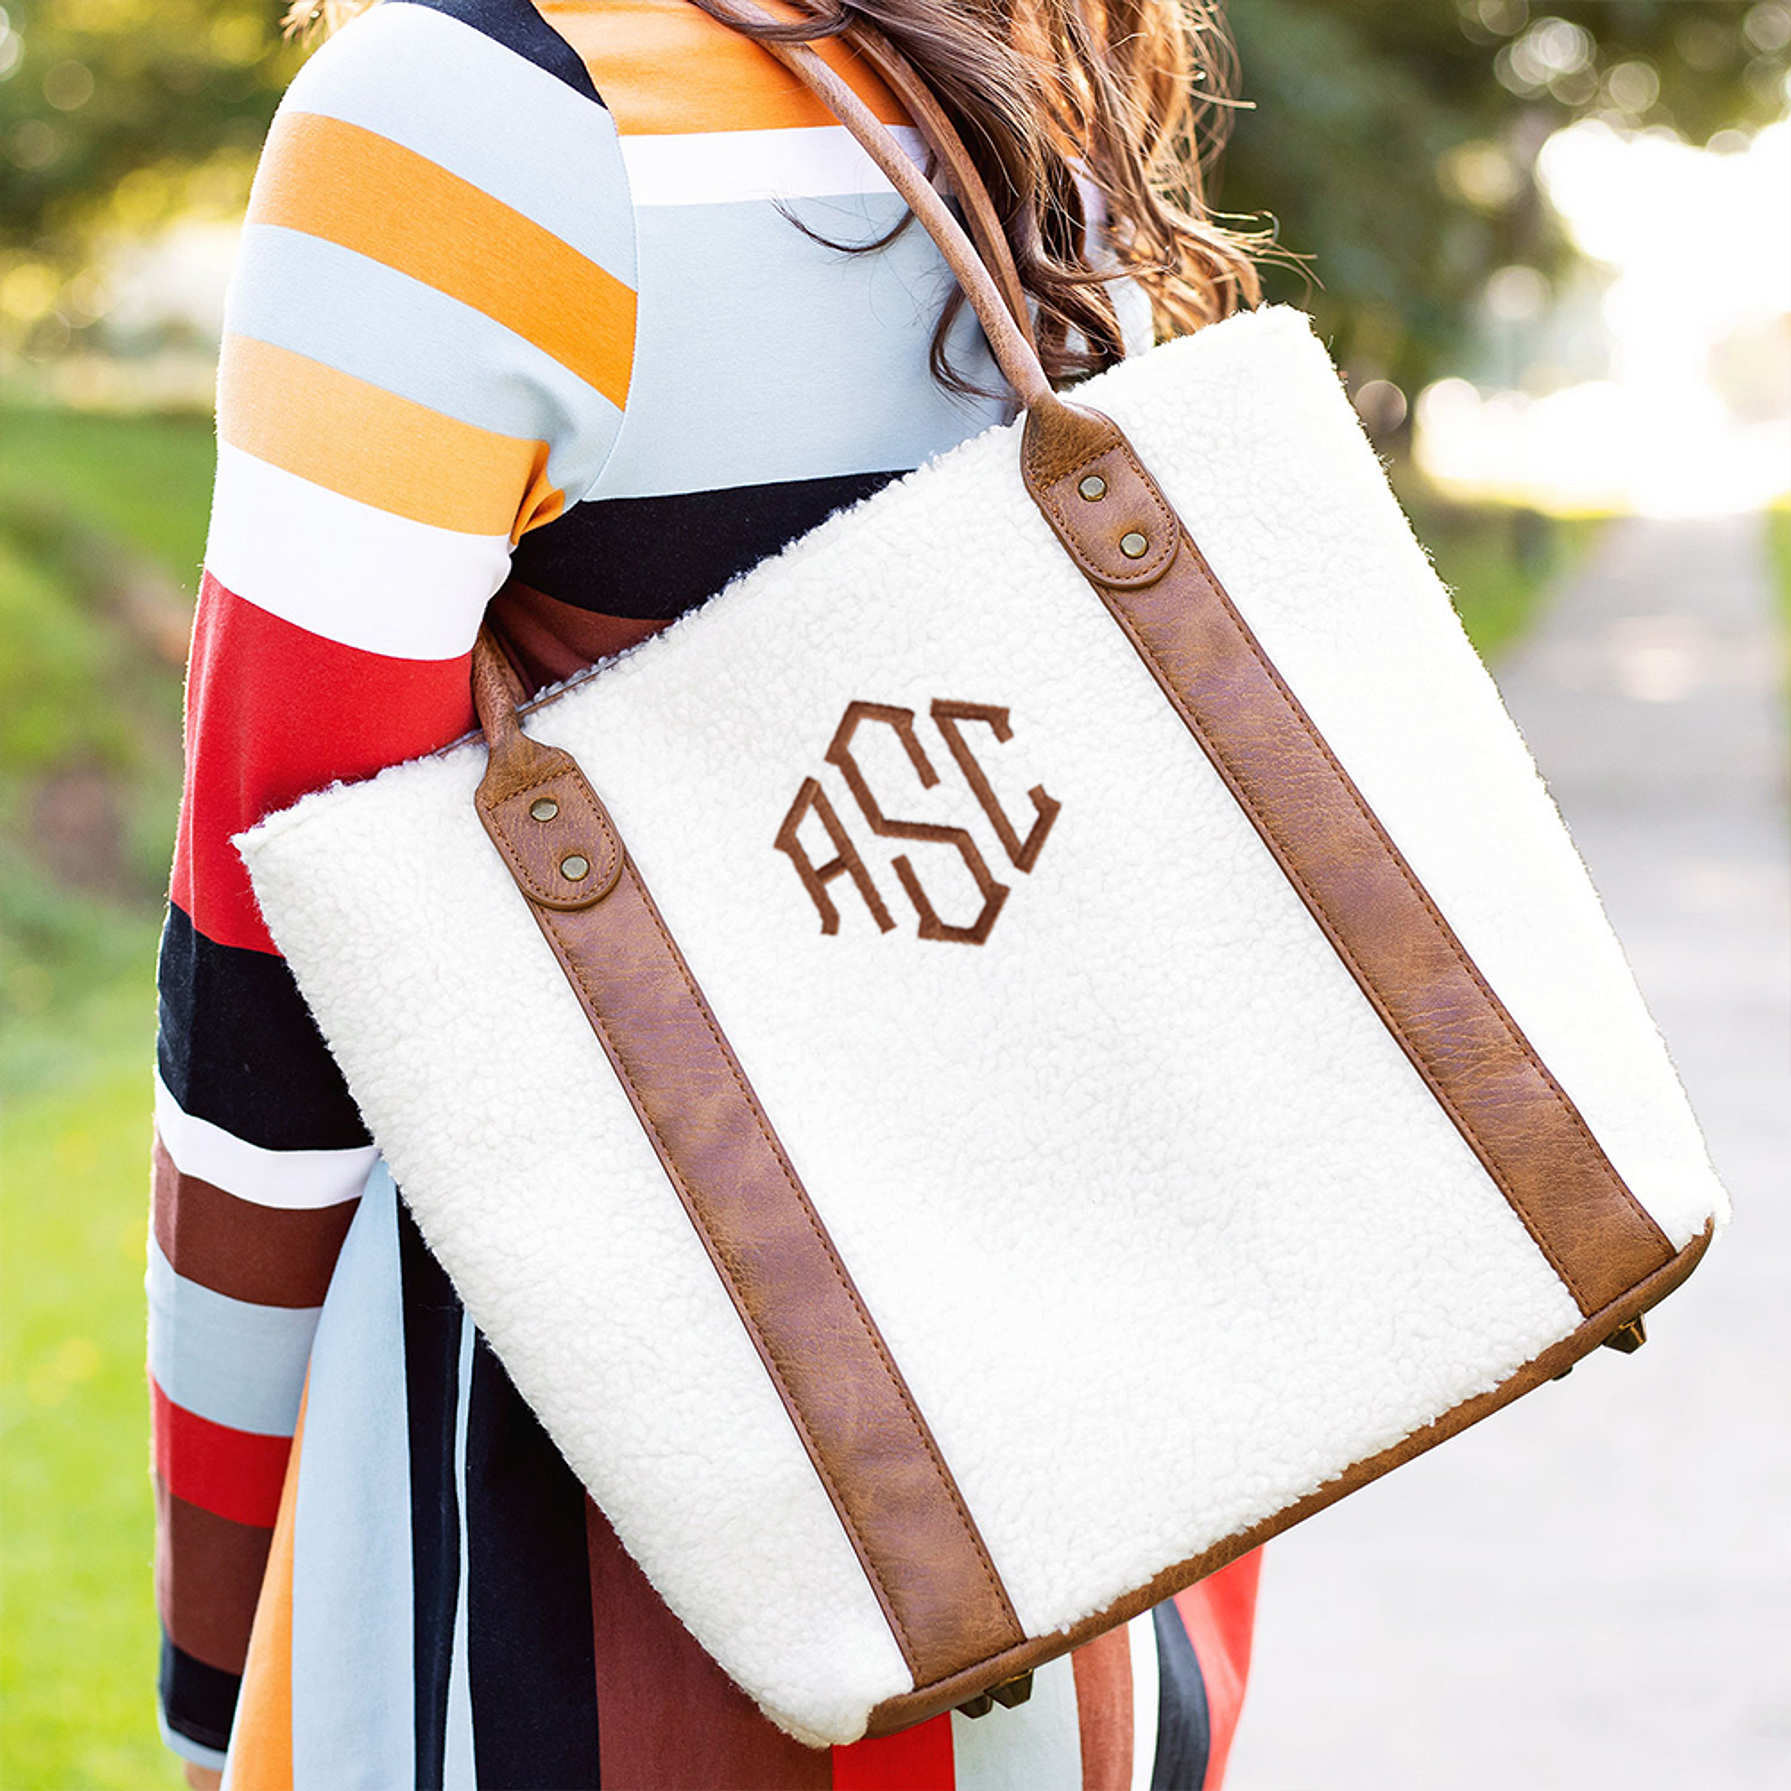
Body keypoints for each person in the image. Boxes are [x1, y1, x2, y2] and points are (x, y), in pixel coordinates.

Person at [147, 1, 1266, 1784]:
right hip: (1080, 1538)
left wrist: (222, 1649)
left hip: (581, 1551)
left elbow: (278, 1013)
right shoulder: (1009, 89)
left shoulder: (473, 115)